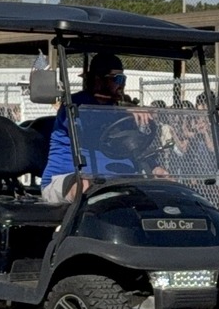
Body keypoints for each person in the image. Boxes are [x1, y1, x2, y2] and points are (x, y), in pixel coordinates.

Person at [40, 52, 165, 204]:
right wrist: (125, 110)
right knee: (86, 188)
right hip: (69, 177)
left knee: (166, 188)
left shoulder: (122, 112)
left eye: (123, 79)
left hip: (118, 180)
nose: (122, 84)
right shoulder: (76, 105)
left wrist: (154, 168)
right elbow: (91, 122)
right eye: (117, 79)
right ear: (98, 80)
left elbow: (134, 147)